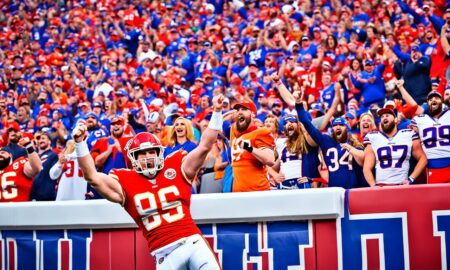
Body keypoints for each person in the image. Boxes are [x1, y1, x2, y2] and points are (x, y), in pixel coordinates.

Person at [71, 95, 225, 269]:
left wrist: (217, 111)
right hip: (163, 255)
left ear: (159, 153)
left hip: (193, 243)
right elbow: (92, 176)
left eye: (151, 152)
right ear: (133, 158)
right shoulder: (125, 180)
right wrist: (79, 143)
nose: (147, 157)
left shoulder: (175, 166)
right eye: (141, 154)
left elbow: (205, 145)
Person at [275, 74, 366, 189]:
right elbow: (296, 108)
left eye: (341, 125)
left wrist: (337, 93)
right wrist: (295, 99)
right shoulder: (325, 139)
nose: (337, 127)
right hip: (331, 187)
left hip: (352, 186)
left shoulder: (353, 142)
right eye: (335, 125)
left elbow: (364, 162)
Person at [363, 105, 428, 186]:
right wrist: (373, 185)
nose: (384, 118)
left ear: (396, 120)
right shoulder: (373, 137)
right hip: (381, 186)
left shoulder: (408, 134)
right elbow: (367, 168)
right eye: (382, 117)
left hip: (401, 186)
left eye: (387, 115)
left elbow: (423, 159)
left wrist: (411, 179)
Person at [229, 100, 275, 192]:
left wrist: (248, 147)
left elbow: (270, 159)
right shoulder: (233, 131)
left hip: (258, 193)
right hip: (237, 194)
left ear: (253, 114)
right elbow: (217, 125)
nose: (240, 112)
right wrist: (217, 111)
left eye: (244, 109)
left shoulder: (261, 132)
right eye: (238, 110)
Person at [271, 114, 321, 189]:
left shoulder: (306, 141)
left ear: (298, 125)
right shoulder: (282, 144)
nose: (289, 124)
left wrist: (304, 129)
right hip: (284, 185)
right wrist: (275, 175)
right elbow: (271, 167)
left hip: (302, 183)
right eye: (286, 123)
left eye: (292, 121)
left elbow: (315, 143)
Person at [411, 91, 450, 183]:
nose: (433, 100)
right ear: (427, 104)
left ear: (442, 101)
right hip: (431, 165)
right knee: (436, 196)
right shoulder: (419, 119)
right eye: (430, 99)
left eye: (436, 98)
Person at [0, 136, 42, 202]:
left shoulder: (19, 164)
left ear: (10, 155)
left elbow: (37, 168)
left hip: (18, 208)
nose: (0, 155)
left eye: (3, 153)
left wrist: (28, 145)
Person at [30, 132, 59, 201]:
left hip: (47, 195)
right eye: (39, 139)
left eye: (43, 138)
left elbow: (55, 174)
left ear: (49, 142)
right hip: (33, 194)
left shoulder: (53, 155)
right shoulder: (35, 156)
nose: (40, 140)